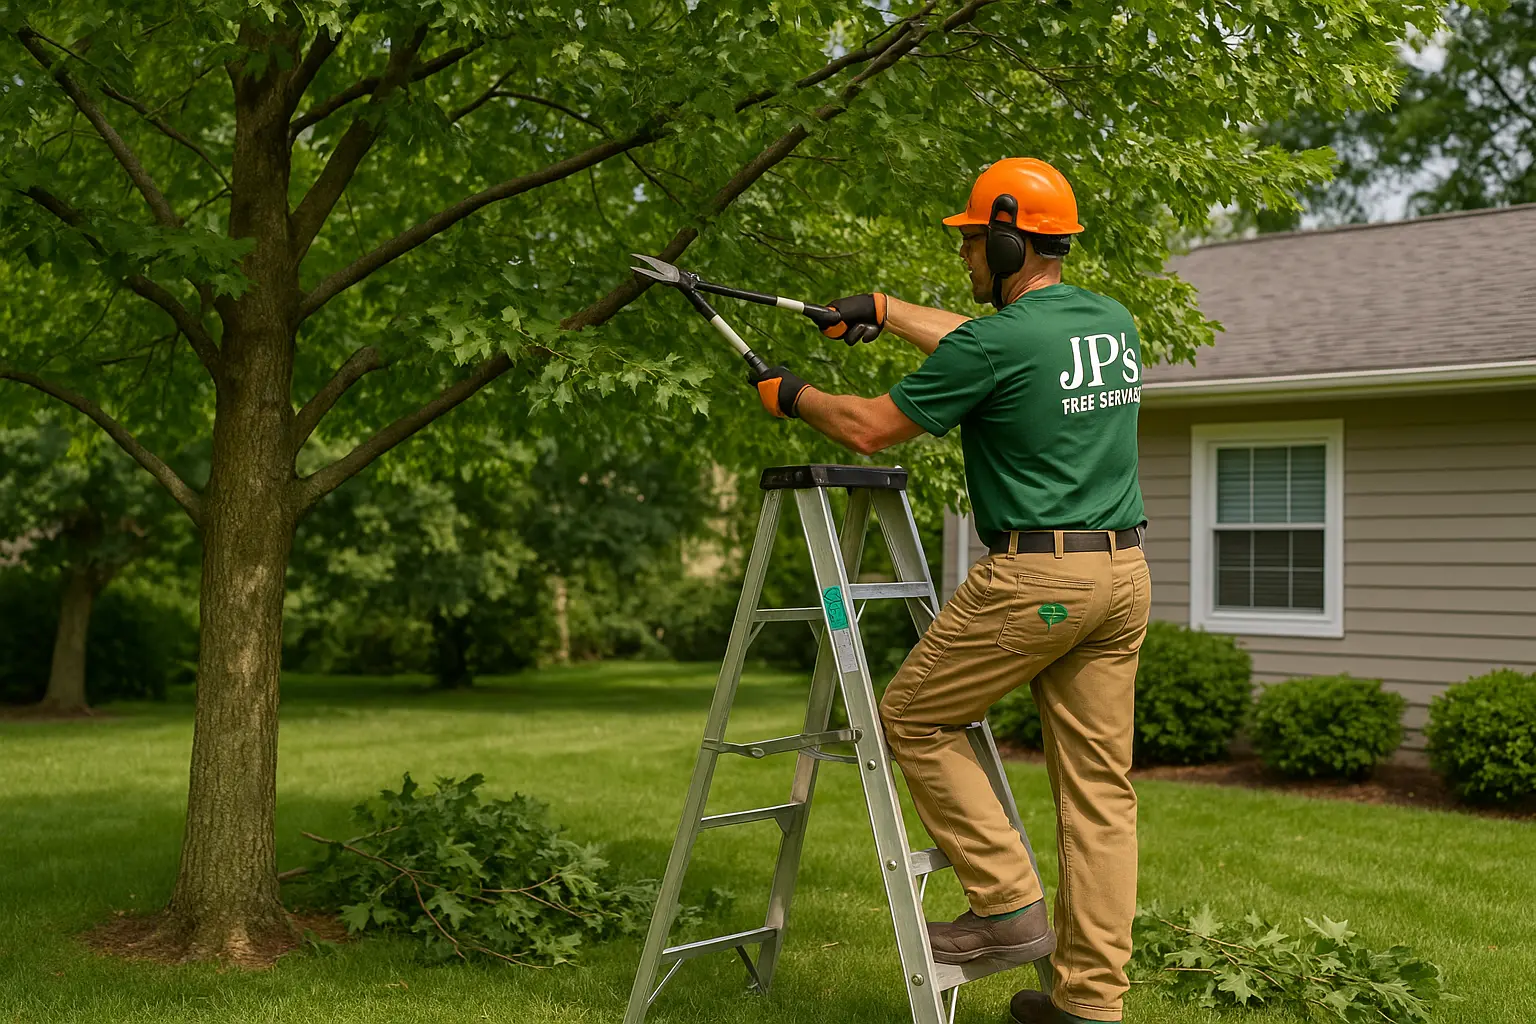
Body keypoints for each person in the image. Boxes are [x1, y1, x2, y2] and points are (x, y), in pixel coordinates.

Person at [747, 157, 1151, 1024]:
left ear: (1008, 243)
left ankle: (1005, 910)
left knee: (912, 717)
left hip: (1038, 581)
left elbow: (869, 427)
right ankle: (1090, 1007)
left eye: (972, 240)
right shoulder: (1108, 320)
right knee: (1101, 798)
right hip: (1122, 578)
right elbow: (984, 341)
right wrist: (884, 310)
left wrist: (794, 395)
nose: (964, 254)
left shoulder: (996, 343)